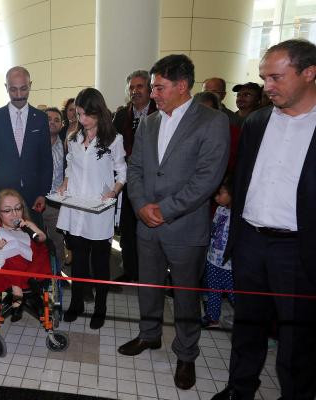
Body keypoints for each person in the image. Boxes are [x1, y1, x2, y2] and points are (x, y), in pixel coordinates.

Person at [118, 54, 230, 390]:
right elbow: (135, 169)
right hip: (146, 224)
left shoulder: (212, 121)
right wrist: (140, 206)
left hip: (185, 226)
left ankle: (186, 353)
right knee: (149, 286)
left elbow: (207, 179)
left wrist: (165, 210)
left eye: (159, 87)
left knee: (185, 295)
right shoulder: (149, 122)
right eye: (153, 87)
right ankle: (149, 334)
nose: (152, 94)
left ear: (182, 86)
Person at [213, 39, 316, 400]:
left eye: (276, 77)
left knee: (297, 337)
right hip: (251, 243)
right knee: (247, 326)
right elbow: (242, 179)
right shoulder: (256, 122)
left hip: (298, 249)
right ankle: (239, 389)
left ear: (309, 73)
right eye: (263, 78)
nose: (266, 87)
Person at [56, 88, 127, 330]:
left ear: (99, 112)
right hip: (76, 207)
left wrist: (113, 191)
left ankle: (100, 307)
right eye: (79, 114)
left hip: (99, 209)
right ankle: (76, 303)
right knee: (78, 261)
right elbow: (70, 167)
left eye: (87, 114)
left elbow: (122, 172)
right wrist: (65, 183)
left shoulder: (113, 140)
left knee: (100, 263)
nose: (82, 119)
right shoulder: (73, 138)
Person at [0, 66, 53, 227]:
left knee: (34, 237)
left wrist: (43, 193)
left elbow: (46, 160)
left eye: (23, 89)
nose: (18, 95)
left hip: (33, 196)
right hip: (4, 196)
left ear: (30, 85)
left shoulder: (41, 118)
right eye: (13, 89)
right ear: (6, 87)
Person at [112, 70, 158, 283]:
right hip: (128, 182)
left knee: (151, 231)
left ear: (149, 89)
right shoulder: (122, 116)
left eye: (140, 86)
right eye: (131, 87)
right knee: (128, 231)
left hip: (155, 183)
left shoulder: (160, 112)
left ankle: (151, 275)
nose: (135, 91)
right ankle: (131, 272)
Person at [0, 189, 50, 322]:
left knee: (43, 252)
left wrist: (30, 230)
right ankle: (20, 296)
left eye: (18, 208)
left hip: (30, 259)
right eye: (8, 210)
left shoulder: (26, 223)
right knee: (13, 259)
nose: (14, 214)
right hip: (10, 264)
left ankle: (29, 286)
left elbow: (43, 237)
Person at [201, 175, 234, 328]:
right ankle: (212, 316)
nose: (216, 197)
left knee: (233, 293)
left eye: (220, 193)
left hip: (229, 265)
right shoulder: (220, 210)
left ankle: (245, 320)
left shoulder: (239, 215)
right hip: (213, 258)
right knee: (213, 289)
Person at [42, 107, 66, 268]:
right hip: (34, 202)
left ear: (62, 124)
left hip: (56, 203)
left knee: (57, 241)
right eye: (48, 119)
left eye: (56, 120)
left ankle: (59, 273)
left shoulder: (66, 146)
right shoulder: (32, 144)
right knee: (36, 241)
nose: (52, 122)